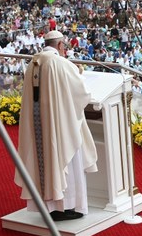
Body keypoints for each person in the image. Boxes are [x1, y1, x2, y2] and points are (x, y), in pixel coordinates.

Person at [15, 30, 98, 221]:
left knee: (43, 161)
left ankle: (49, 207)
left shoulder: (33, 63)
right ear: (60, 45)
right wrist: (79, 72)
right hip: (60, 127)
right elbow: (82, 92)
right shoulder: (60, 63)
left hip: (39, 127)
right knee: (64, 161)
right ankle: (67, 206)